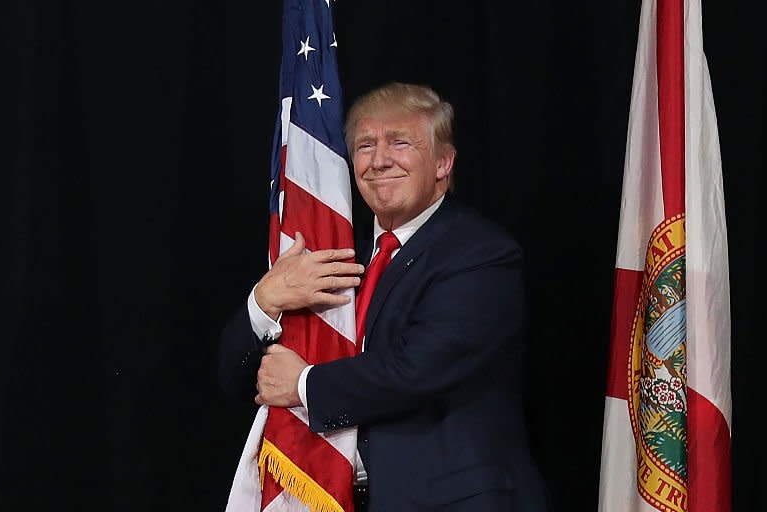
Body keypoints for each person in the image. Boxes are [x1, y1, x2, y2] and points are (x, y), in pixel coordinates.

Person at [218, 82, 549, 511]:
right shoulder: (333, 256)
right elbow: (237, 380)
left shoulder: (480, 254)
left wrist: (302, 384)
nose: (379, 160)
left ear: (443, 163)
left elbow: (417, 369)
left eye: (400, 143)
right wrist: (266, 300)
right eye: (365, 145)